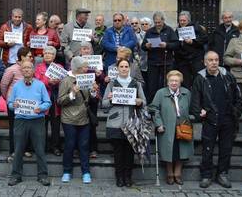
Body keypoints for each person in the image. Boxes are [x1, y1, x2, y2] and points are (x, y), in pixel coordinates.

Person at [190, 51, 242, 188]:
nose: (214, 62)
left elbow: (238, 96)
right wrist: (198, 112)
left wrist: (236, 111)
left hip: (228, 119)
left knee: (226, 149)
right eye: (211, 60)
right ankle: (206, 175)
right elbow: (195, 100)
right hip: (210, 119)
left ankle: (222, 174)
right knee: (207, 149)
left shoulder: (228, 76)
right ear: (205, 62)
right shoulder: (200, 78)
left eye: (216, 60)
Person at [102, 58, 146, 187]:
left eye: (126, 66)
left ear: (130, 68)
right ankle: (119, 177)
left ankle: (128, 177)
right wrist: (109, 99)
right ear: (117, 69)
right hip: (115, 122)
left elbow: (144, 102)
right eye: (121, 66)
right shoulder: (112, 84)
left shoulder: (136, 84)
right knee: (118, 152)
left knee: (129, 152)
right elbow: (103, 103)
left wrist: (139, 101)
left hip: (131, 122)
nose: (124, 69)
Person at [7, 61, 51, 186]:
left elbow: (47, 102)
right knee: (18, 149)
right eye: (24, 68)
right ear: (21, 70)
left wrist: (41, 108)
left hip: (37, 120)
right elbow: (10, 103)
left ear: (33, 70)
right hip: (21, 120)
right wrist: (13, 105)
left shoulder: (40, 85)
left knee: (40, 149)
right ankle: (16, 175)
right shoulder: (16, 86)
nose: (26, 70)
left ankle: (42, 175)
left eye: (29, 68)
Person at [58, 56, 98, 184]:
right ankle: (67, 171)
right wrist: (72, 93)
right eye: (85, 67)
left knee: (84, 146)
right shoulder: (65, 80)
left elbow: (91, 99)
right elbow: (60, 101)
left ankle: (86, 172)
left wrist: (93, 91)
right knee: (69, 145)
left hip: (84, 118)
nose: (87, 69)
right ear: (77, 68)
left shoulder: (86, 79)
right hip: (69, 118)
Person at [149, 70, 193, 185]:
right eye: (171, 81)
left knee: (181, 151)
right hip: (166, 126)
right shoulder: (160, 93)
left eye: (176, 81)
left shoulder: (186, 93)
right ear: (167, 82)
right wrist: (158, 123)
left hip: (183, 126)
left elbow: (193, 108)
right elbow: (153, 109)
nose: (174, 83)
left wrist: (192, 118)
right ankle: (169, 174)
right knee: (169, 151)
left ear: (180, 82)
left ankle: (178, 174)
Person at [0, 47, 33, 161]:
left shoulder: (31, 68)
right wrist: (8, 98)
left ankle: (26, 149)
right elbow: (4, 85)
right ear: (22, 57)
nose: (31, 58)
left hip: (28, 104)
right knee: (15, 127)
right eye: (29, 56)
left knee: (27, 126)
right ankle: (13, 150)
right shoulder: (12, 69)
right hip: (14, 104)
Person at [141, 11, 179, 101]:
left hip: (166, 62)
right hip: (153, 62)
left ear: (163, 20)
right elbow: (143, 46)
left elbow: (177, 44)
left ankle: (167, 102)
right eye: (156, 22)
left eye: (159, 22)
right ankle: (152, 104)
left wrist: (167, 45)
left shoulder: (169, 30)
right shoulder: (150, 31)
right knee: (152, 85)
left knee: (166, 83)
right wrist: (147, 46)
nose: (157, 24)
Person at [34, 46, 63, 156]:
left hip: (55, 99)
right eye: (45, 53)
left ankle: (55, 147)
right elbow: (37, 82)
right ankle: (43, 147)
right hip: (43, 100)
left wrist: (57, 81)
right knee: (42, 126)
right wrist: (48, 82)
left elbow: (64, 81)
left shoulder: (59, 67)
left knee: (56, 126)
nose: (47, 55)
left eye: (50, 53)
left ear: (54, 56)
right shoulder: (38, 67)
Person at [174, 11, 208, 89]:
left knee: (198, 80)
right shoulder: (177, 30)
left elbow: (205, 39)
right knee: (185, 82)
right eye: (180, 20)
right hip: (183, 60)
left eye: (184, 20)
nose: (182, 22)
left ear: (188, 20)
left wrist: (193, 41)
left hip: (196, 59)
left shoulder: (196, 27)